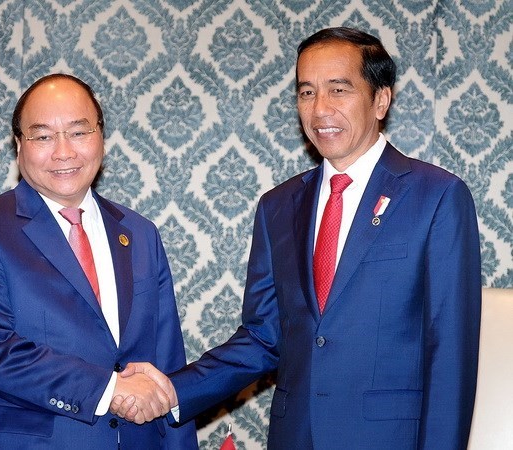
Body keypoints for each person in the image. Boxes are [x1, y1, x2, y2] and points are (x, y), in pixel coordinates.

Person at [112, 27, 482, 449]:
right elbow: (263, 338)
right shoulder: (278, 206)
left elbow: (449, 355)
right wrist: (173, 391)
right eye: (306, 93)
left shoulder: (436, 197)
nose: (320, 109)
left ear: (381, 99)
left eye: (338, 90)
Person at [0, 73, 197, 449]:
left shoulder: (141, 234)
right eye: (43, 136)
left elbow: (167, 366)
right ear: (19, 146)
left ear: (101, 138)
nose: (64, 152)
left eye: (79, 132)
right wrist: (109, 390)